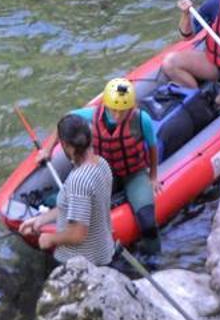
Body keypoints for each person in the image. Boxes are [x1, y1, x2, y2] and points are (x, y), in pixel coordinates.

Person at [68, 79, 162, 255]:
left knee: (147, 222)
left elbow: (152, 148)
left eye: (123, 111)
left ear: (132, 107)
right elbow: (66, 120)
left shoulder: (142, 120)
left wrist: (153, 176)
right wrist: (48, 150)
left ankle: (153, 258)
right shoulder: (92, 115)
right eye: (114, 110)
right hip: (105, 172)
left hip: (134, 173)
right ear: (106, 106)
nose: (118, 116)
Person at [18, 114, 117, 270]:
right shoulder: (102, 164)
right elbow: (76, 207)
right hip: (103, 252)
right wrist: (40, 220)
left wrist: (50, 239)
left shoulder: (79, 181)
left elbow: (77, 234)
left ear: (68, 147)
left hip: (83, 262)